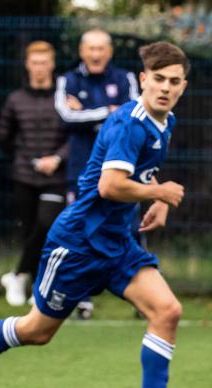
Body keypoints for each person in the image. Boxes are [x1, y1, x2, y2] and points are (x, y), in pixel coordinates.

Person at [0, 42, 197, 388]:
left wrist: (156, 198)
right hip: (78, 244)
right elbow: (110, 185)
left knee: (168, 311)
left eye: (174, 82)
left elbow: (139, 177)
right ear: (143, 80)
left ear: (183, 86)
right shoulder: (129, 123)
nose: (165, 88)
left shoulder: (166, 121)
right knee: (37, 331)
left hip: (118, 243)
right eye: (158, 79)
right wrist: (158, 193)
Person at [54, 29, 139, 319]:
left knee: (128, 231)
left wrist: (92, 113)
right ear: (81, 51)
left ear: (110, 51)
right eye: (90, 48)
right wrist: (109, 112)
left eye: (101, 48)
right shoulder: (68, 80)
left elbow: (134, 114)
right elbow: (67, 116)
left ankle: (140, 295)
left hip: (121, 169)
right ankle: (81, 299)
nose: (96, 54)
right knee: (79, 233)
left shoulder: (125, 78)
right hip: (81, 171)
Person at [0, 41, 68, 307]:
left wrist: (57, 158)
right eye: (35, 63)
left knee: (48, 226)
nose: (39, 68)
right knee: (30, 232)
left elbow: (75, 133)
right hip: (24, 176)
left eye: (44, 62)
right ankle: (36, 290)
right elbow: (5, 137)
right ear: (28, 65)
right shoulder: (16, 99)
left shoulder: (64, 97)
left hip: (56, 176)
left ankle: (17, 275)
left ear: (52, 64)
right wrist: (27, 159)